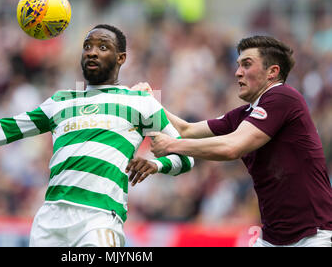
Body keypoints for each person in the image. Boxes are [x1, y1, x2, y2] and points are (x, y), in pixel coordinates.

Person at [0, 24, 194, 247]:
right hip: (49, 220)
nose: (92, 51)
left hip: (99, 217)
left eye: (102, 47)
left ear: (121, 58)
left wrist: (156, 164)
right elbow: (4, 129)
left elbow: (186, 157)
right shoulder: (61, 101)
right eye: (87, 46)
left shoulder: (140, 102)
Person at [128, 35, 332, 247]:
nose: (238, 72)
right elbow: (185, 129)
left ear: (272, 72)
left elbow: (232, 147)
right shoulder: (244, 114)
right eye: (238, 65)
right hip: (273, 237)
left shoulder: (282, 96)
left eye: (247, 64)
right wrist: (150, 102)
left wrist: (172, 146)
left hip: (312, 235)